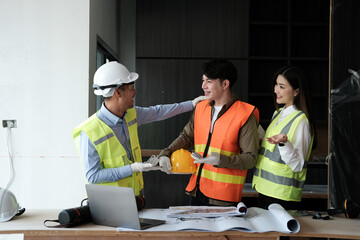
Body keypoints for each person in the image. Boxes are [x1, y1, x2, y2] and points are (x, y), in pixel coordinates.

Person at [72, 61, 205, 207]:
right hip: (105, 205)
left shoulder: (131, 114)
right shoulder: (90, 131)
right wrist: (133, 168)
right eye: (131, 87)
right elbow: (93, 176)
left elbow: (158, 112)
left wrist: (191, 104)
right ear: (117, 92)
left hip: (132, 200)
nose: (134, 92)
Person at [158, 59, 260, 206]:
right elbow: (186, 137)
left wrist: (221, 160)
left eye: (209, 81)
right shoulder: (201, 108)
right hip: (197, 190)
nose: (203, 86)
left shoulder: (245, 114)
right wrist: (165, 153)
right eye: (203, 80)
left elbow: (251, 158)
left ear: (225, 84)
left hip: (223, 198)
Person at [252, 65, 317, 210]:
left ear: (296, 91)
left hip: (282, 195)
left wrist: (283, 143)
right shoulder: (278, 114)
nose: (276, 90)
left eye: (281, 86)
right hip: (264, 189)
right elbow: (270, 148)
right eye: (276, 85)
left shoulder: (301, 121)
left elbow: (297, 165)